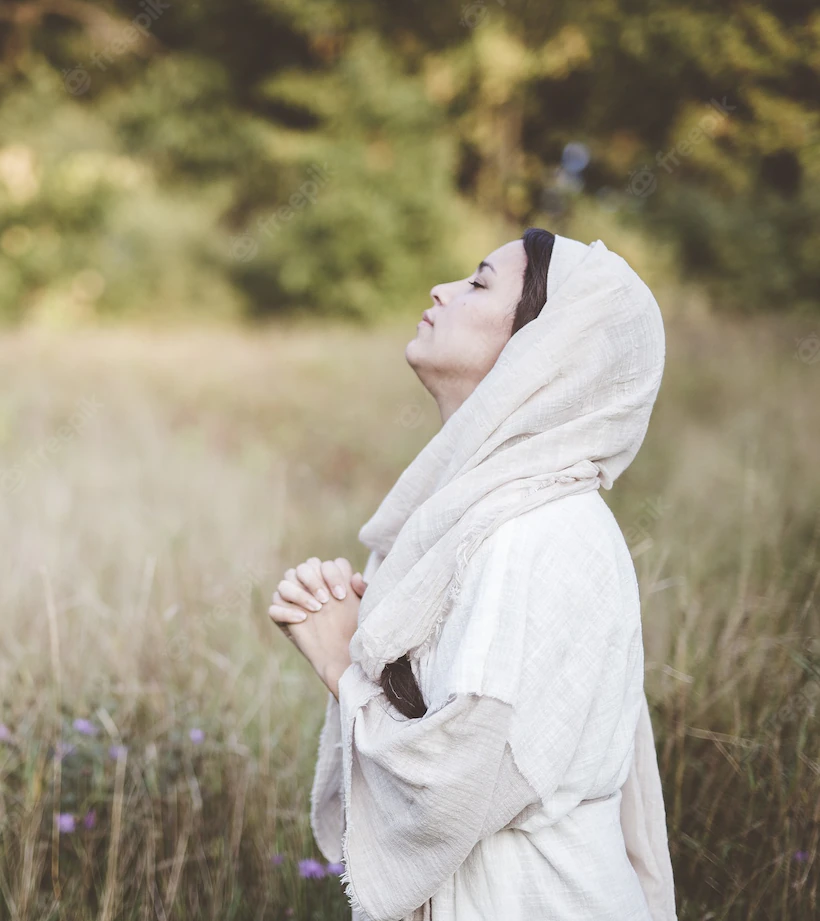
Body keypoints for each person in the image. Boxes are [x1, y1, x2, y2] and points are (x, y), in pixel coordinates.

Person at [266, 231, 676, 920]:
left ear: (540, 350)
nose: (441, 290)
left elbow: (455, 785)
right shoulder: (482, 518)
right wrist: (360, 623)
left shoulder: (536, 531)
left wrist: (342, 661)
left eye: (479, 283)